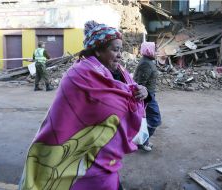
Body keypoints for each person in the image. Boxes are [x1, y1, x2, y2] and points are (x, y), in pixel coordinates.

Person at [19, 21, 148, 190]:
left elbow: (128, 94)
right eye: (115, 49)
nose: (120, 55)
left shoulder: (119, 72)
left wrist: (142, 93)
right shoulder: (78, 75)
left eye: (120, 50)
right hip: (80, 154)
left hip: (107, 156)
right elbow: (62, 119)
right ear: (97, 50)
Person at [134, 41, 162, 152]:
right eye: (155, 50)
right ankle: (143, 142)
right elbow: (140, 84)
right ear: (149, 50)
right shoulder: (146, 63)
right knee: (155, 119)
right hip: (147, 96)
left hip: (149, 94)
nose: (157, 52)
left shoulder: (148, 61)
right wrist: (145, 100)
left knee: (150, 119)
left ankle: (143, 140)